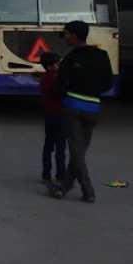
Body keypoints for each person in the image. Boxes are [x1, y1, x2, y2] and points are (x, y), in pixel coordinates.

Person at [49, 20, 114, 203]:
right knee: (79, 150)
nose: (65, 38)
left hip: (73, 107)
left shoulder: (70, 59)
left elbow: (59, 86)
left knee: (76, 152)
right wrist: (92, 91)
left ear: (75, 36)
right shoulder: (102, 55)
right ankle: (63, 187)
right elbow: (108, 83)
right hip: (93, 108)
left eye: (67, 34)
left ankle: (88, 190)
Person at [39, 51, 67, 185]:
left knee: (48, 145)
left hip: (49, 115)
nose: (59, 66)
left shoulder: (44, 78)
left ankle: (46, 173)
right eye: (57, 63)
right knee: (60, 148)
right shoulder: (54, 78)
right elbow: (60, 93)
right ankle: (60, 175)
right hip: (60, 115)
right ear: (50, 66)